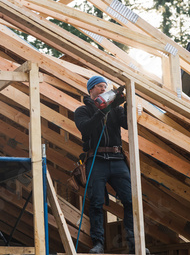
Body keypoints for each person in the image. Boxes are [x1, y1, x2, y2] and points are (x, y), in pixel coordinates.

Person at [74, 75, 135, 254]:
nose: (103, 89)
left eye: (105, 86)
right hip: (97, 160)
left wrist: (126, 104)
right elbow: (85, 128)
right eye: (100, 86)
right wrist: (102, 110)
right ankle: (98, 244)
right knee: (97, 203)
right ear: (91, 89)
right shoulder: (82, 110)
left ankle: (133, 242)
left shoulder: (115, 109)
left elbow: (127, 124)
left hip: (117, 160)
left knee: (130, 200)